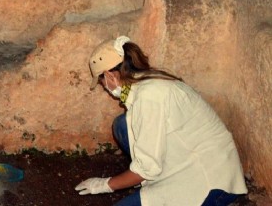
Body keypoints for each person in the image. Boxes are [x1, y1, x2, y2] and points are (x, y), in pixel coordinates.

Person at [75, 36, 248, 206]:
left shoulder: (148, 97)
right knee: (123, 124)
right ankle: (156, 180)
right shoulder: (146, 81)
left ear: (110, 76)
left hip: (212, 183)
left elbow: (147, 167)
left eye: (102, 81)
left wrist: (105, 185)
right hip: (197, 159)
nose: (105, 87)